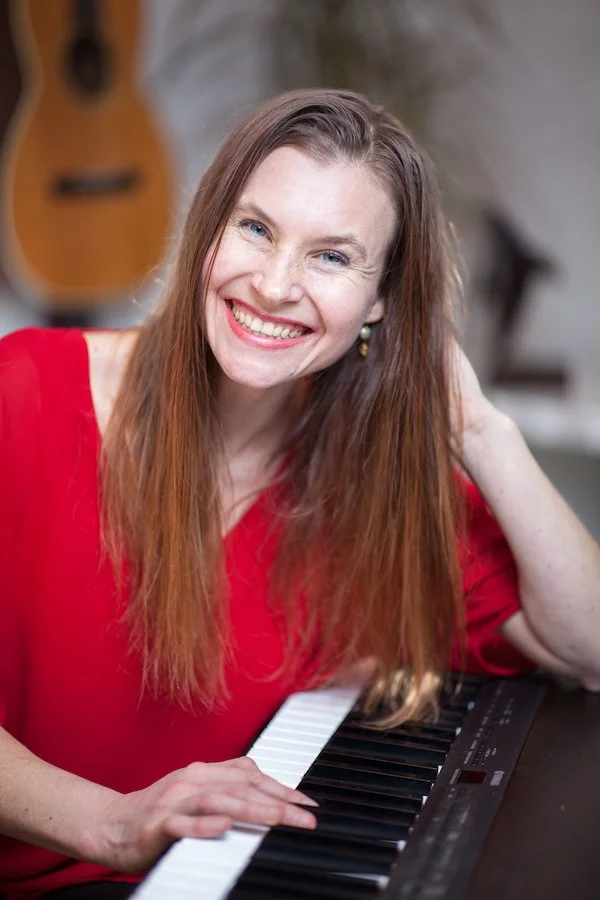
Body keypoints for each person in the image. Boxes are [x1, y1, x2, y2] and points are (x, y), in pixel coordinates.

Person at [0, 88, 599, 900]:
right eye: (256, 228)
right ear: (208, 232)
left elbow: (586, 645)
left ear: (380, 303)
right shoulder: (25, 390)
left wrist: (479, 427)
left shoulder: (370, 488)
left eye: (332, 257)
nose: (276, 285)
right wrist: (111, 822)